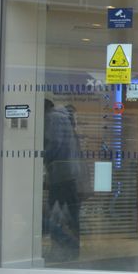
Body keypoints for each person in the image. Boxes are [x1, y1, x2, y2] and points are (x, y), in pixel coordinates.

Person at [43, 98, 84, 262]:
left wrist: (40, 156)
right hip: (69, 174)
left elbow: (54, 145)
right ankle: (71, 249)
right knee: (70, 213)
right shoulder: (65, 118)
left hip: (60, 174)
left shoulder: (53, 118)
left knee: (55, 212)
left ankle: (63, 249)